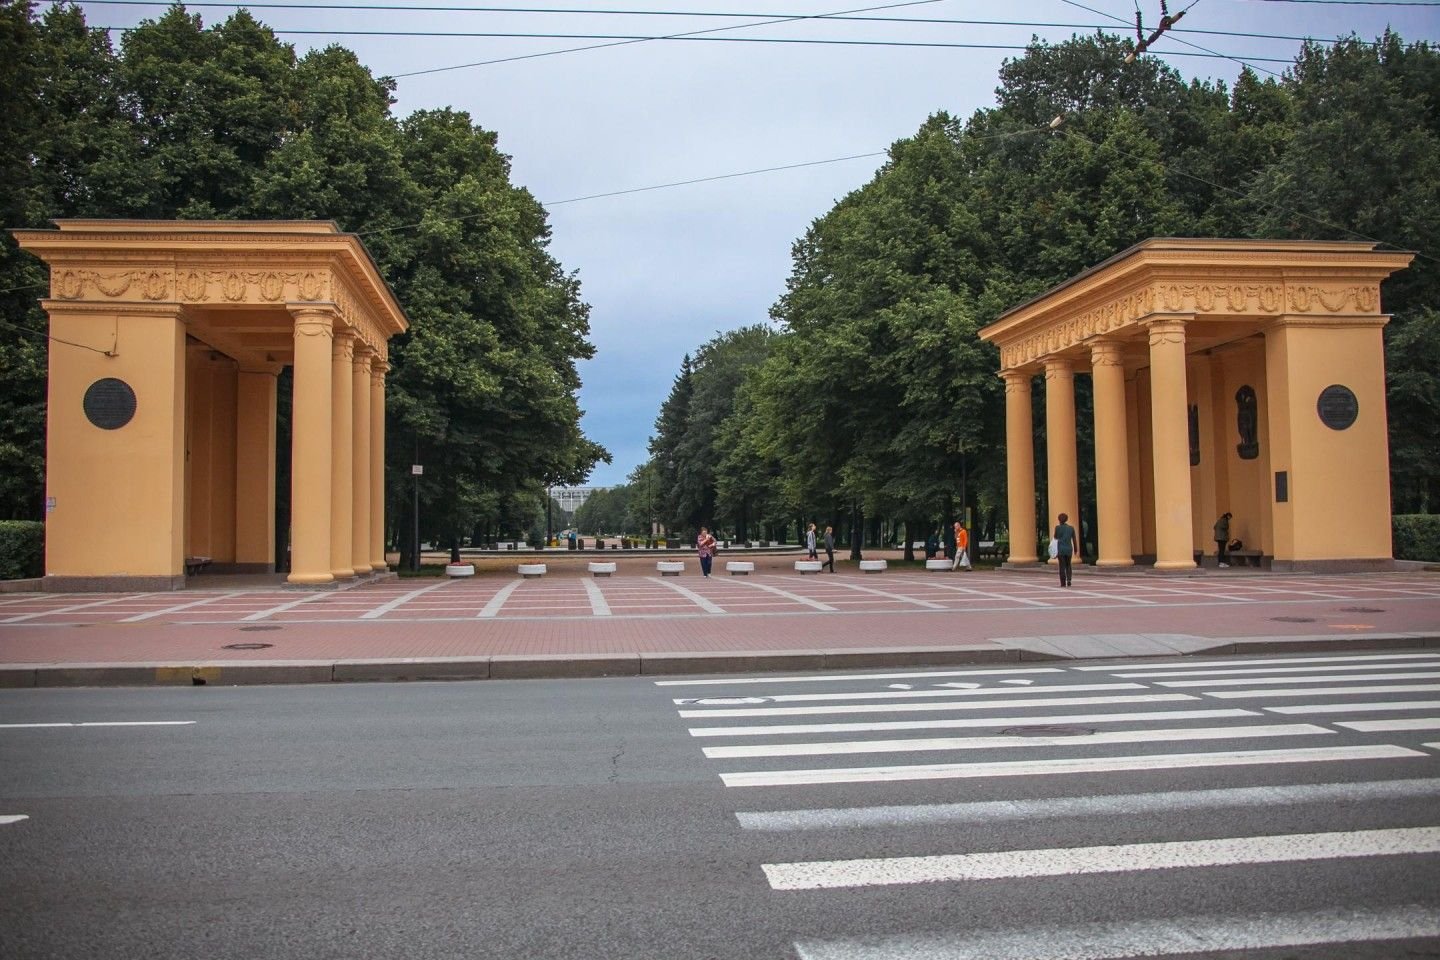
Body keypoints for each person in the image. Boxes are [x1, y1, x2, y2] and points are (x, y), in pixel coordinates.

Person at [1053, 512, 1078, 587]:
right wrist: (1076, 549)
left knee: (1062, 566)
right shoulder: (1071, 528)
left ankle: (1063, 582)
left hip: (1060, 550)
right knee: (1068, 565)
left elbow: (1055, 538)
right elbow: (1074, 539)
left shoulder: (1057, 528)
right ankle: (1069, 580)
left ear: (1059, 520)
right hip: (1069, 549)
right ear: (1066, 519)